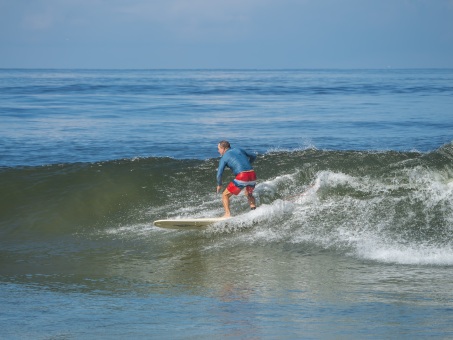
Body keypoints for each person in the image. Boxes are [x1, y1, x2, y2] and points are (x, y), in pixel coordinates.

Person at [216, 140, 257, 217]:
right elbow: (254, 156)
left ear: (223, 148)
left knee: (225, 195)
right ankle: (254, 211)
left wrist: (219, 184)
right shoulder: (239, 149)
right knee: (249, 194)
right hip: (252, 174)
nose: (218, 151)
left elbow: (219, 173)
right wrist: (248, 163)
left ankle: (227, 214)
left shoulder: (224, 157)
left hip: (242, 176)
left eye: (219, 149)